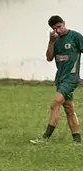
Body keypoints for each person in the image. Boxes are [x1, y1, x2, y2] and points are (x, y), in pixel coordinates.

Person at [31, 15, 83, 144]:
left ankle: (45, 138)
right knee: (69, 108)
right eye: (55, 29)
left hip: (71, 78)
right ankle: (77, 141)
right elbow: (49, 58)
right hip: (60, 79)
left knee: (55, 104)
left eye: (59, 27)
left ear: (64, 23)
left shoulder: (76, 37)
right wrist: (51, 42)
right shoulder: (55, 40)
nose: (58, 31)